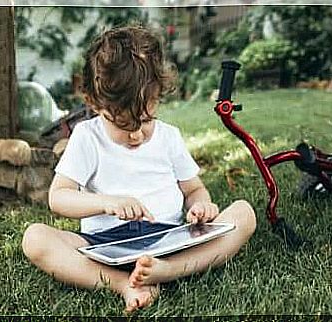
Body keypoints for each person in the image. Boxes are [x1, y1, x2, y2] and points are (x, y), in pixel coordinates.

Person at [21, 25, 256, 313]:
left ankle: (167, 270)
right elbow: (59, 197)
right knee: (35, 238)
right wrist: (107, 203)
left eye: (145, 120)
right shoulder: (86, 136)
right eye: (122, 124)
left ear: (157, 98)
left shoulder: (169, 136)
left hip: (169, 237)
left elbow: (194, 189)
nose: (136, 135)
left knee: (244, 213)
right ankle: (123, 283)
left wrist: (201, 207)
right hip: (104, 244)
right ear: (95, 104)